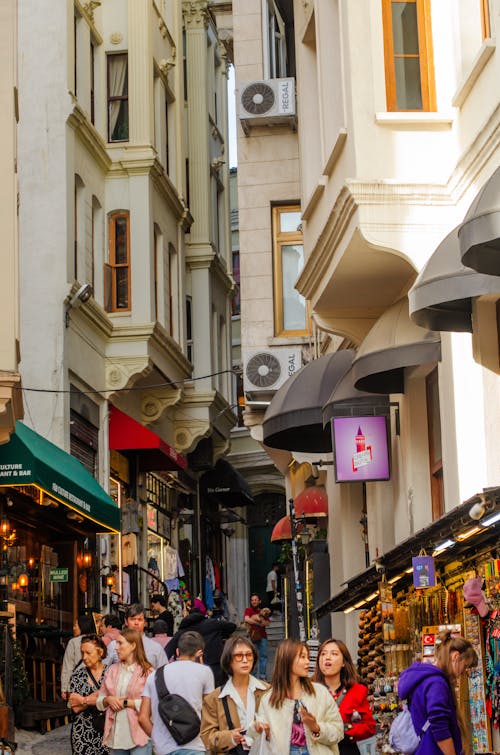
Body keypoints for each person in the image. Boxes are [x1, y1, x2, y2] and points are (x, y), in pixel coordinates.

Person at [250, 638, 344, 755]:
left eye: (307, 657)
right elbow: (260, 740)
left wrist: (316, 728)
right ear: (287, 660)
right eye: (302, 657)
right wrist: (265, 732)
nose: (308, 662)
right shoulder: (269, 699)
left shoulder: (320, 693)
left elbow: (339, 731)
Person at [397, 630, 478, 755]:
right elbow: (439, 726)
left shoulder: (426, 679)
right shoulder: (436, 683)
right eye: (465, 666)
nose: (463, 672)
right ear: (456, 656)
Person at [139, 630, 215, 755]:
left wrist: (158, 738)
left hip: (163, 748)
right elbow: (210, 712)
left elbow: (142, 718)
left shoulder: (154, 675)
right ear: (199, 653)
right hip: (195, 746)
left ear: (178, 652)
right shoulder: (204, 672)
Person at [200, 635, 269, 753]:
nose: (245, 660)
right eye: (238, 656)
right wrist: (230, 737)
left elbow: (281, 727)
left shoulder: (267, 691)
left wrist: (267, 731)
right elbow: (207, 737)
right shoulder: (215, 698)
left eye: (248, 655)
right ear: (228, 660)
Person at [313, 638, 376, 755]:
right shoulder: (310, 691)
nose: (327, 657)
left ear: (343, 662)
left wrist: (344, 729)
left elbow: (370, 727)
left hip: (347, 749)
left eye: (334, 654)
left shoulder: (358, 691)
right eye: (323, 654)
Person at [97, 627, 153, 755]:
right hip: (116, 736)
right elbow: (99, 701)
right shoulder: (112, 670)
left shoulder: (148, 672)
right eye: (116, 643)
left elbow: (154, 704)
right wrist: (108, 699)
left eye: (120, 643)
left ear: (133, 646)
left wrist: (128, 703)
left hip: (140, 735)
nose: (116, 647)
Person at [166, 604, 236, 686]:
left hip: (192, 670)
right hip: (215, 666)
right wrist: (221, 635)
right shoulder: (213, 624)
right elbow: (232, 626)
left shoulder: (183, 631)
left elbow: (166, 652)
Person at [68, 633, 109, 755]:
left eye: (88, 653)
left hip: (106, 732)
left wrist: (83, 700)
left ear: (100, 652)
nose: (84, 657)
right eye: (82, 653)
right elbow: (75, 707)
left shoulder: (111, 672)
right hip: (82, 733)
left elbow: (112, 699)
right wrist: (100, 698)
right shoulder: (77, 675)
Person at [106, 604, 166, 669]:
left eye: (140, 619)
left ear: (145, 622)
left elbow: (164, 675)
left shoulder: (156, 648)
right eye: (132, 619)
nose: (136, 623)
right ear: (126, 621)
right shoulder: (114, 646)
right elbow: (103, 671)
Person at [62, 614, 96, 700]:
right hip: (94, 682)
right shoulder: (97, 641)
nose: (74, 628)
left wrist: (64, 688)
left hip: (77, 683)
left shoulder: (73, 642)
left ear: (82, 626)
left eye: (76, 625)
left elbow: (68, 666)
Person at [244, 594, 270, 680]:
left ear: (259, 601)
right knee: (252, 657)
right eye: (252, 600)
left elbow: (267, 623)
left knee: (263, 656)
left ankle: (263, 677)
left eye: (255, 600)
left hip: (262, 636)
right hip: (252, 636)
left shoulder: (263, 611)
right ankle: (253, 677)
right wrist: (258, 623)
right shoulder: (248, 610)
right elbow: (247, 619)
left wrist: (258, 620)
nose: (254, 601)